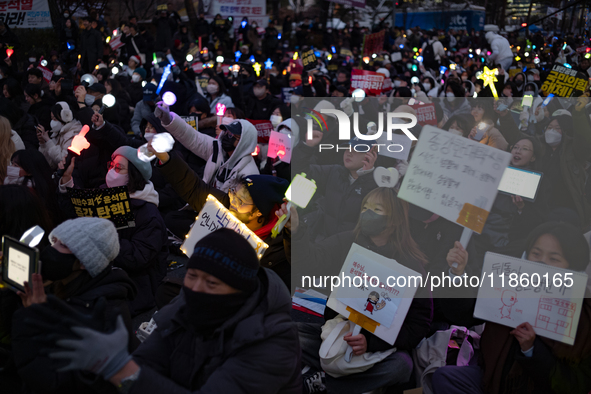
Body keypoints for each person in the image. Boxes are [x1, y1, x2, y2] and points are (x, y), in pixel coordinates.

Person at [24, 229, 302, 394]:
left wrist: (121, 369)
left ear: (239, 290)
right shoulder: (184, 308)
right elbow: (148, 362)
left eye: (212, 283)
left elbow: (134, 374)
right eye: (192, 276)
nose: (196, 288)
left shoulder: (272, 343)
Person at [290, 187, 433, 393]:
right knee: (288, 320)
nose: (367, 213)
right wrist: (297, 232)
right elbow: (312, 261)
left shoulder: (411, 266)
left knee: (402, 366)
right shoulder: (347, 240)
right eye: (365, 207)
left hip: (375, 348)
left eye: (376, 209)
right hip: (334, 327)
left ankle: (326, 383)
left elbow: (419, 324)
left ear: (394, 220)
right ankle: (334, 373)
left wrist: (371, 342)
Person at [433, 222, 591, 394]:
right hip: (494, 378)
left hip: (542, 387)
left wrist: (531, 349)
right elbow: (462, 313)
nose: (542, 263)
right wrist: (458, 275)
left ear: (573, 266)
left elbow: (575, 385)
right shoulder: (510, 282)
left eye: (554, 259)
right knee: (444, 378)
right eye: (536, 254)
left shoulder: (584, 313)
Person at [10, 217, 138, 394]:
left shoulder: (103, 313)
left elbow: (54, 382)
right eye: (54, 241)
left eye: (63, 245)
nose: (50, 249)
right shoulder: (61, 285)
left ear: (84, 262)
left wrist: (30, 320)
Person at [148, 142, 291, 288]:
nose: (233, 202)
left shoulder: (279, 240)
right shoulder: (227, 204)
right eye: (233, 192)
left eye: (241, 201)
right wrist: (166, 159)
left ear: (259, 211)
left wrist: (294, 232)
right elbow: (195, 188)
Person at [58, 146, 167, 316]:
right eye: (111, 166)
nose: (111, 171)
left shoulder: (148, 214)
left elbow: (138, 258)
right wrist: (67, 183)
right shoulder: (105, 194)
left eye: (118, 168)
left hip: (133, 283)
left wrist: (104, 237)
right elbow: (76, 213)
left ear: (134, 174)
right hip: (99, 270)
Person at [153, 102, 259, 192]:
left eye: (231, 135)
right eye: (226, 131)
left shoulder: (250, 173)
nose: (226, 136)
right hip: (203, 205)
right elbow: (192, 137)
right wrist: (169, 120)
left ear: (244, 142)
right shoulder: (217, 148)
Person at [38, 102, 82, 170]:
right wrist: (43, 143)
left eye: (55, 119)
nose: (53, 122)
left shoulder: (74, 133)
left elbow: (62, 160)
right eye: (52, 119)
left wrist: (48, 141)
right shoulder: (57, 133)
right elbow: (50, 163)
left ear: (65, 117)